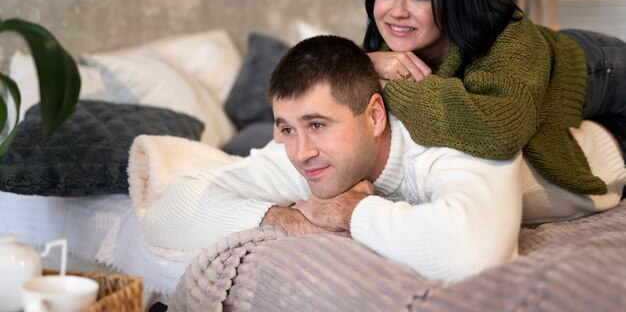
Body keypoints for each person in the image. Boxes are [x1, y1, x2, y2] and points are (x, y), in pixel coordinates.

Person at [141, 35, 626, 282]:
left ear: (375, 116)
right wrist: (286, 219)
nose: (301, 152)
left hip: (615, 149)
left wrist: (354, 213)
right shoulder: (302, 155)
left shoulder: (447, 128)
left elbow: (472, 254)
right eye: (286, 128)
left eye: (317, 125)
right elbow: (170, 207)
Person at [362, 0, 626, 196]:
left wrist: (395, 87)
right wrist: (364, 63)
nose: (396, 11)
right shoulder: (383, 48)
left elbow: (501, 132)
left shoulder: (508, 38)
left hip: (600, 66)